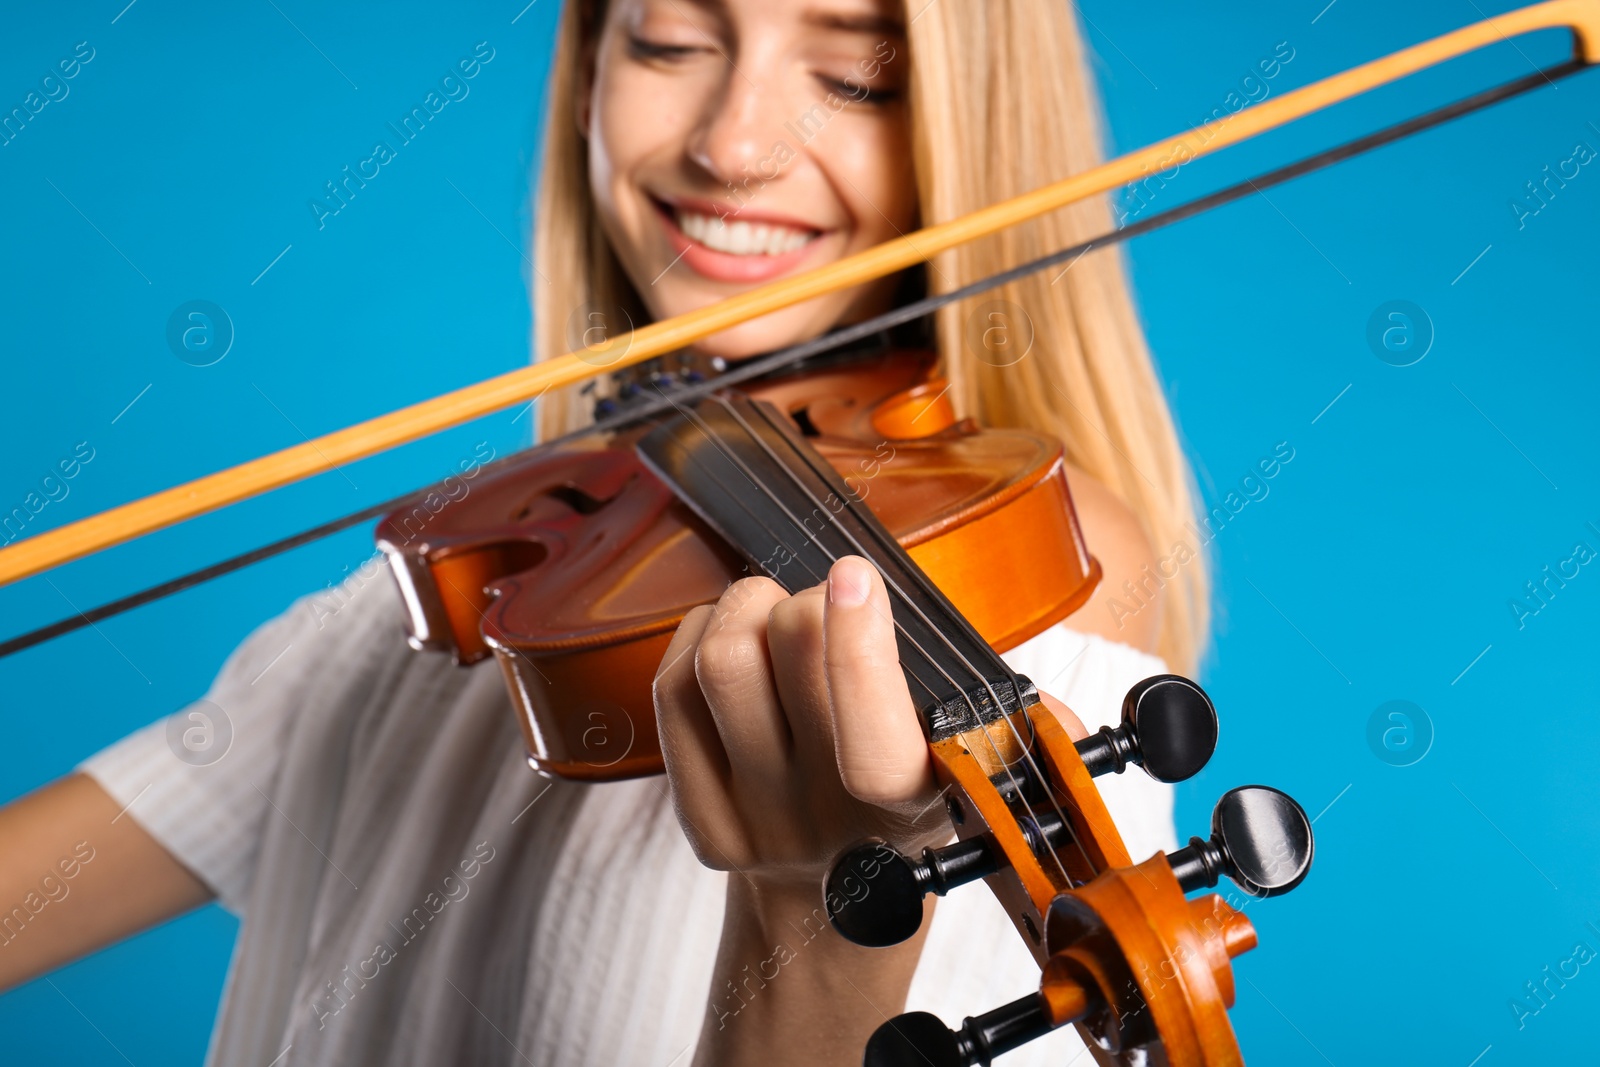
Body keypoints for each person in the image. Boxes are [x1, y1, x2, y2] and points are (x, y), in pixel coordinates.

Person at [0, 1, 1209, 1063]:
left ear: (972, 124)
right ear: (587, 69)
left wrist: (818, 913)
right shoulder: (490, 580)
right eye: (670, 39)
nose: (733, 147)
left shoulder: (1017, 599)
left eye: (855, 75)